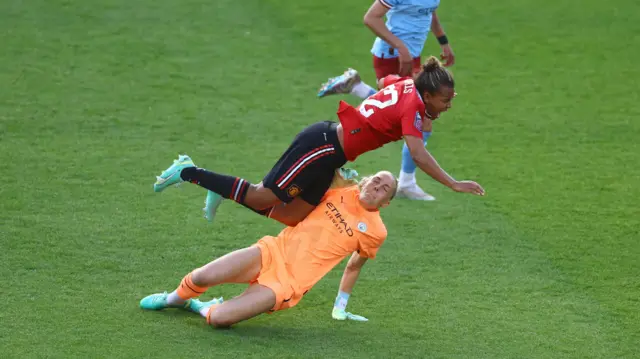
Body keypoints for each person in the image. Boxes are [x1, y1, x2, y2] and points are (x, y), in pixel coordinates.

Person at [153, 56, 484, 226]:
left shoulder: (409, 87)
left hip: (332, 154)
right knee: (261, 197)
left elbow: (386, 85)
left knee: (293, 216)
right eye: (445, 100)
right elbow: (418, 154)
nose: (448, 106)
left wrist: (426, 115)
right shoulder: (413, 105)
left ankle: (225, 188)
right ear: (428, 94)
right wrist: (453, 183)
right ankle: (189, 171)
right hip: (321, 147)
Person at [139, 171, 396, 328]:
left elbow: (353, 266)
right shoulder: (339, 190)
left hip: (286, 284)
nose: (377, 188)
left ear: (386, 202)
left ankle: (197, 306)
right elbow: (295, 200)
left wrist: (340, 307)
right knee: (201, 277)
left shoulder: (375, 231)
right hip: (272, 251)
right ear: (366, 181)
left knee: (218, 320)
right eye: (376, 181)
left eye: (385, 189)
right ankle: (173, 300)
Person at [317, 0, 454, 201]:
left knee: (402, 106)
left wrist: (443, 40)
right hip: (393, 55)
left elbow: (429, 12)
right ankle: (407, 183)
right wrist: (400, 47)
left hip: (410, 55)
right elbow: (371, 18)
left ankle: (356, 86)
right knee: (420, 120)